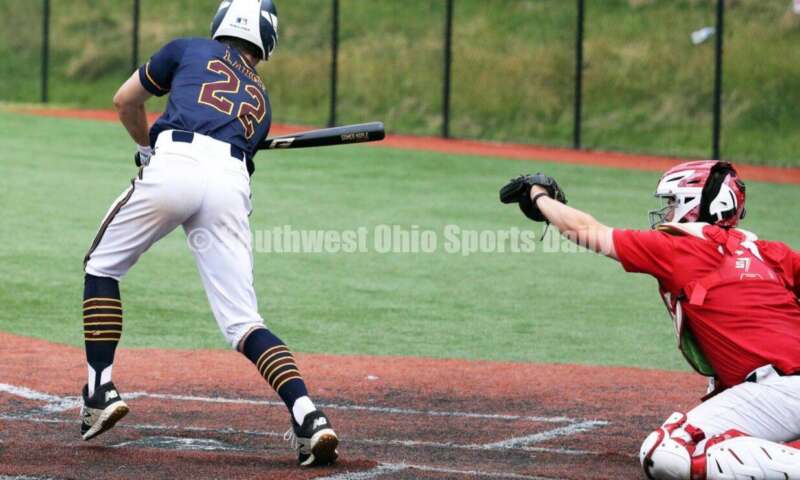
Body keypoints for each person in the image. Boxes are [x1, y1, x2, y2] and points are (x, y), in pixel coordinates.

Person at [79, 0, 339, 467]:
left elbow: (125, 101)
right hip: (231, 181)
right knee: (244, 322)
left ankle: (99, 389)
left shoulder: (187, 48)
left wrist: (145, 148)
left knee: (102, 266)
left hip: (175, 163)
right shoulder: (261, 96)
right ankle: (309, 416)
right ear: (267, 40)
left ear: (222, 23)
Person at [500, 162, 800, 479]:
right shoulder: (769, 252)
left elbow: (588, 231)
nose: (666, 213)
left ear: (696, 205)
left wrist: (540, 197)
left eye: (672, 203)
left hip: (775, 391)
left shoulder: (682, 247)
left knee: (665, 453)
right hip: (777, 393)